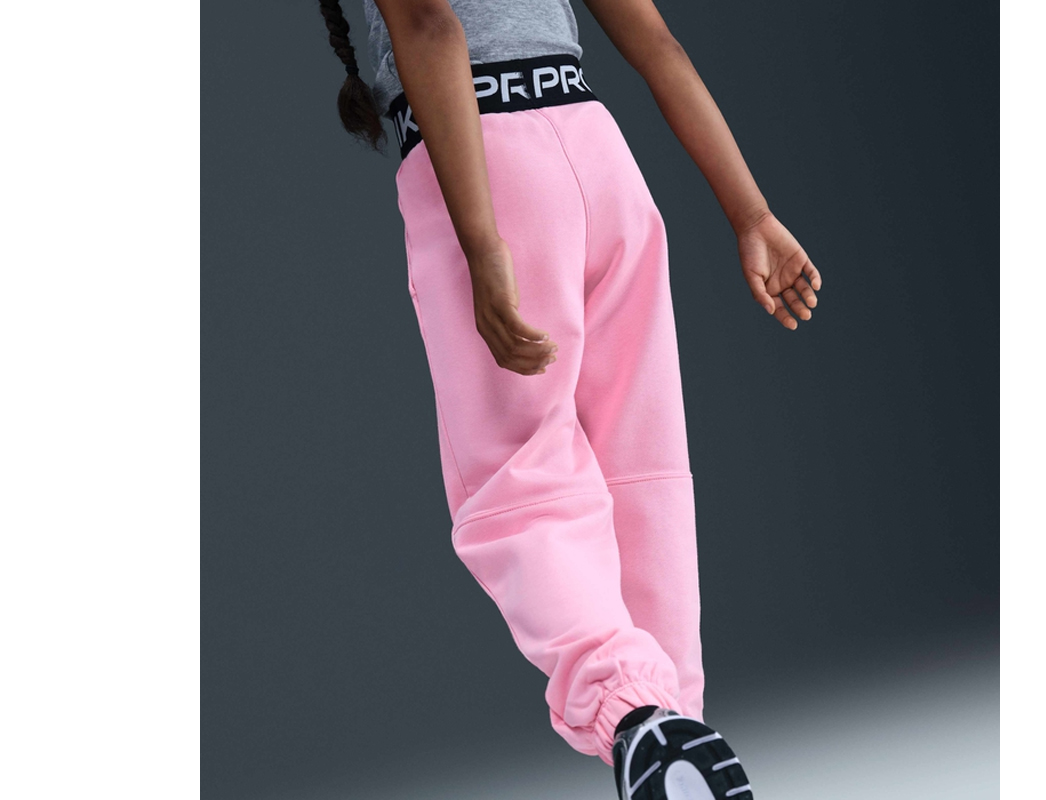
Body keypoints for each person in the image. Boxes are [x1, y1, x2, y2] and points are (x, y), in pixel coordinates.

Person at [317, 1, 822, 797]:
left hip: (486, 160)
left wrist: (482, 245)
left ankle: (637, 717)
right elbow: (656, 41)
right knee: (642, 469)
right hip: (601, 159)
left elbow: (428, 23)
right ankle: (675, 730)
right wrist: (750, 212)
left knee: (518, 478)